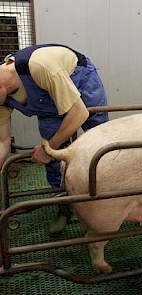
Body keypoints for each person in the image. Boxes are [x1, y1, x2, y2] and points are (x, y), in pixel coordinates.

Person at [0, 44, 109, 233]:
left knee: (100, 139)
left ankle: (108, 198)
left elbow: (79, 112)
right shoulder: (3, 97)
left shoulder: (40, 66)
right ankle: (64, 205)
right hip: (47, 103)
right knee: (53, 156)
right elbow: (3, 142)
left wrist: (48, 147)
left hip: (79, 78)